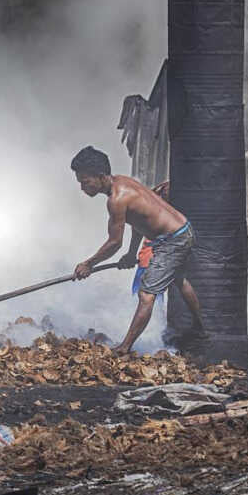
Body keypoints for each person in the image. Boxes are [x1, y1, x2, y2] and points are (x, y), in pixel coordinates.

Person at [70, 145, 206, 355]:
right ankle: (201, 328)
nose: (82, 188)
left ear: (100, 176)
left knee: (146, 294)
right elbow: (138, 222)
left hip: (172, 240)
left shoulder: (116, 200)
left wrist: (89, 264)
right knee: (179, 279)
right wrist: (131, 254)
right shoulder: (122, 182)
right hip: (182, 230)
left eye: (85, 182)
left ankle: (125, 347)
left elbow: (114, 242)